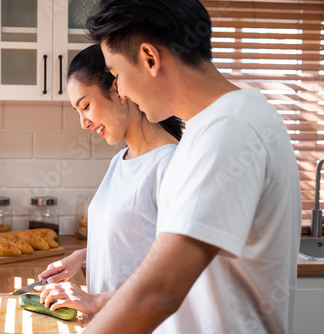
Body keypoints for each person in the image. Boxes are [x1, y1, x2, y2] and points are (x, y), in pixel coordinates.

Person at [79, 1, 302, 334]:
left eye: (116, 75)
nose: (120, 90)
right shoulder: (208, 128)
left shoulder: (232, 129)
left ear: (150, 59)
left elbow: (160, 291)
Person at [35, 44, 182, 315]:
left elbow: (178, 281)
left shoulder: (171, 164)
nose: (83, 123)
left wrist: (94, 301)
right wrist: (83, 256)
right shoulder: (121, 160)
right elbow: (137, 240)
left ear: (119, 89)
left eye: (86, 106)